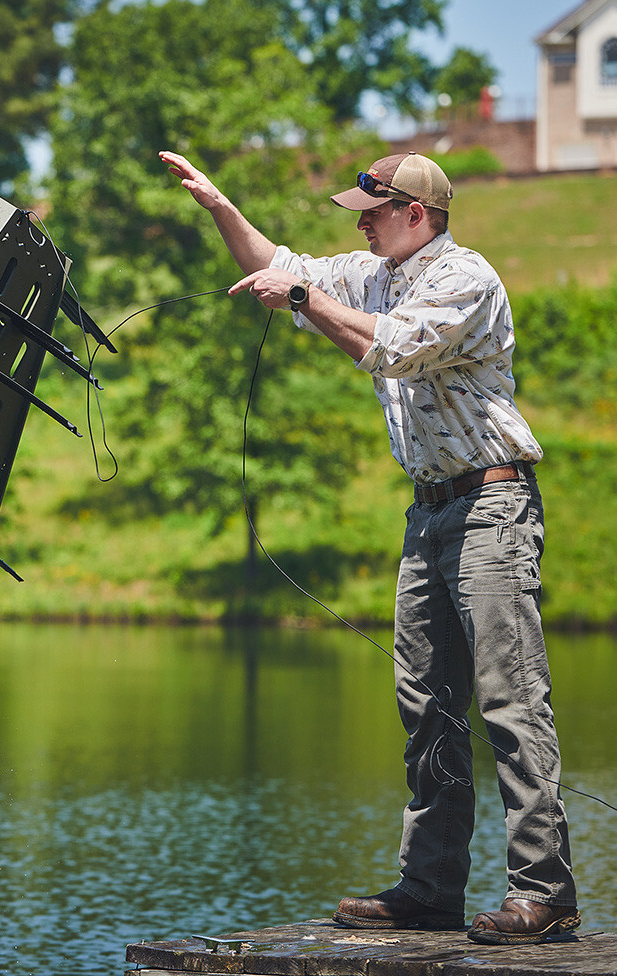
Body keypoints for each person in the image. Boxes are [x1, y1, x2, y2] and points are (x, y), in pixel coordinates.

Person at [161, 149, 580, 946]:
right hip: (428, 514)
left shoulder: (465, 278)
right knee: (427, 709)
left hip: (492, 508)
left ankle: (544, 892)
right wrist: (218, 206)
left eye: (372, 212)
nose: (360, 225)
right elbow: (280, 266)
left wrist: (304, 299)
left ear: (416, 214)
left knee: (511, 703)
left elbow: (391, 348)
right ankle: (430, 889)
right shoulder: (375, 273)